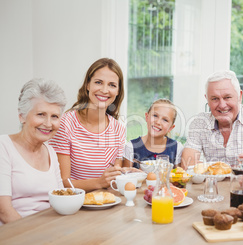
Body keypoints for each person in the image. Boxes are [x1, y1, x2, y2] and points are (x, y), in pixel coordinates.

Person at [49, 58, 129, 192]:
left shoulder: (118, 129)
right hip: (74, 203)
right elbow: (62, 183)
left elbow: (113, 179)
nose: (104, 90)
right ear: (87, 85)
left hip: (106, 202)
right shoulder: (65, 124)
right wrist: (99, 182)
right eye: (98, 82)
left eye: (112, 85)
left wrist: (125, 174)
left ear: (118, 91)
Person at [0, 78, 66, 225]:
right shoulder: (3, 146)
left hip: (48, 230)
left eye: (54, 116)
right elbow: (4, 212)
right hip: (15, 234)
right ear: (22, 116)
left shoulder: (50, 152)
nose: (48, 124)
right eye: (41, 114)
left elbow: (60, 199)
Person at [181, 70, 243, 169]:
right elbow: (187, 163)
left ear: (239, 96)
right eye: (214, 99)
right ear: (207, 100)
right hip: (213, 184)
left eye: (227, 97)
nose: (222, 105)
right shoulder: (200, 122)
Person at [122, 99, 183, 168]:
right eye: (155, 116)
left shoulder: (177, 148)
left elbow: (178, 175)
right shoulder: (131, 147)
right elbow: (126, 174)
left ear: (171, 128)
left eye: (165, 120)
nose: (158, 122)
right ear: (147, 117)